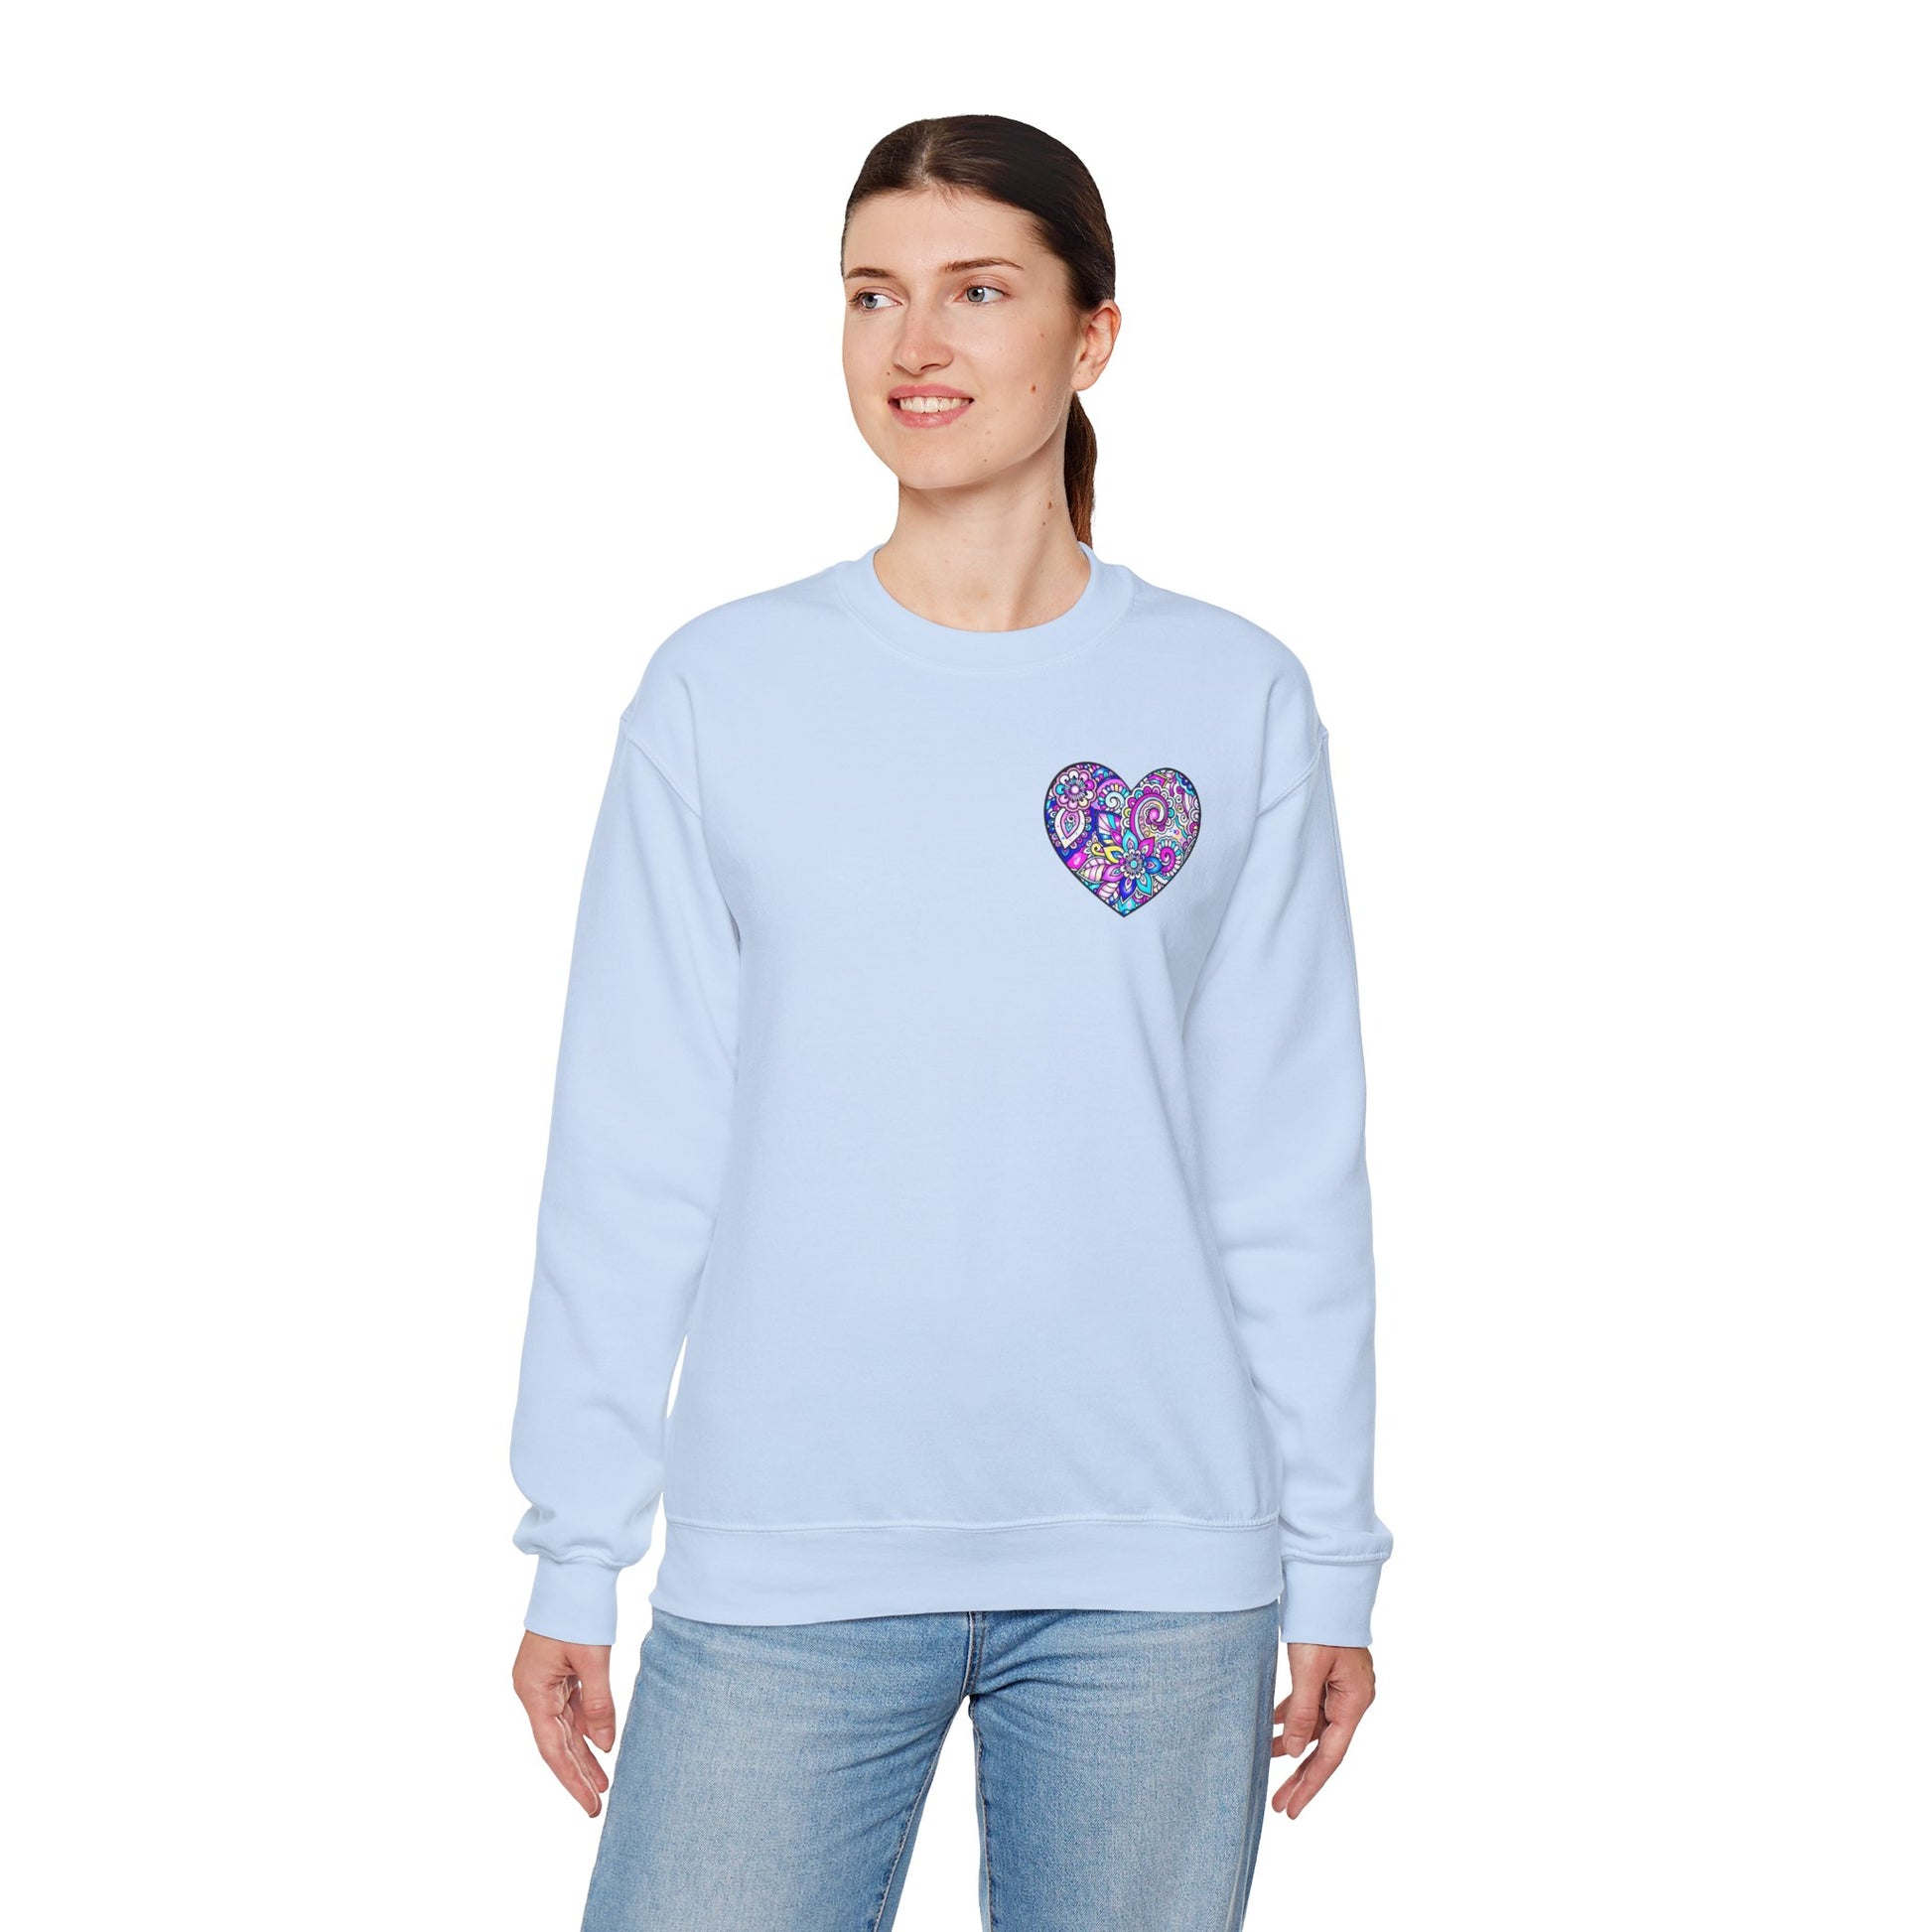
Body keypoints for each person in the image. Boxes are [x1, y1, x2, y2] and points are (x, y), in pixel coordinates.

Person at [507, 113, 1394, 1931]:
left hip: (1155, 1566)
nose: (912, 343)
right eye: (870, 295)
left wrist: (1331, 1557)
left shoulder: (1227, 694)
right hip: (788, 1552)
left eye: (977, 291)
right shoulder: (722, 690)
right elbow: (632, 1145)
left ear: (1092, 335)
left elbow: (1284, 1160)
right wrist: (576, 1541)